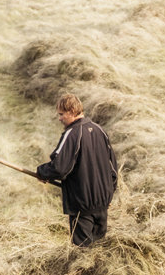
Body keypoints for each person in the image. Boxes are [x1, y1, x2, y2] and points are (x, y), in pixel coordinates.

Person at [35, 93, 118, 247]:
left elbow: (59, 167)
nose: (59, 118)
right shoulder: (100, 130)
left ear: (72, 111)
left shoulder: (72, 134)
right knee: (99, 250)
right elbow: (113, 167)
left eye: (61, 114)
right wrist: (110, 192)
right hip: (102, 203)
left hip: (82, 205)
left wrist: (42, 172)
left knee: (82, 252)